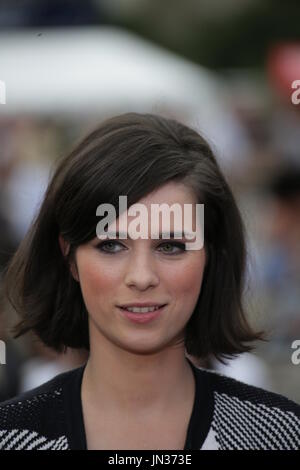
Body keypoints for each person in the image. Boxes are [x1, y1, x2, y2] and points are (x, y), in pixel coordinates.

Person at [0, 112, 299, 450]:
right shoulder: (12, 439)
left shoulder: (278, 437)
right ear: (69, 257)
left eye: (171, 246)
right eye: (111, 245)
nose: (141, 277)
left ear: (211, 255)